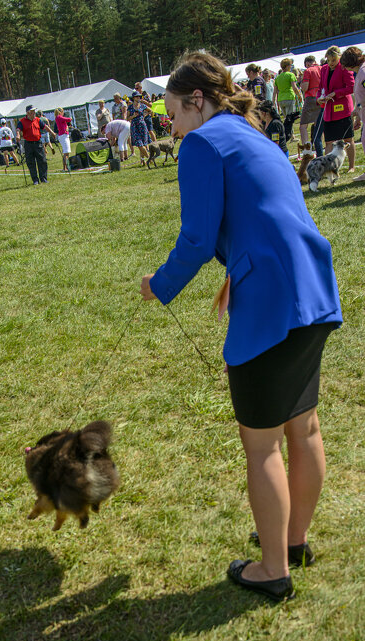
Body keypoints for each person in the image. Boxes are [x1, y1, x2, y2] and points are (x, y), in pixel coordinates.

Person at [139, 51, 342, 603]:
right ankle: (293, 542)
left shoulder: (203, 143)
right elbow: (271, 213)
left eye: (175, 113)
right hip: (312, 292)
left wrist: (159, 284)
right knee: (304, 429)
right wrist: (240, 268)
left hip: (272, 305)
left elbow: (198, 239)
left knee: (262, 447)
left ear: (196, 101)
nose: (172, 126)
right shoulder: (254, 133)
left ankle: (272, 569)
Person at [317, 45, 356, 172]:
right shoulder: (323, 70)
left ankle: (351, 166)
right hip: (329, 111)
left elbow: (351, 87)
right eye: (329, 60)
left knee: (348, 139)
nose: (331, 63)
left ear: (339, 58)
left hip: (343, 110)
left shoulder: (345, 68)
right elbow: (321, 88)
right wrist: (319, 98)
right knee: (328, 141)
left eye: (333, 60)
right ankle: (327, 168)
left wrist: (336, 93)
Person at [340, 46, 365, 182]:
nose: (344, 68)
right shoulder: (359, 72)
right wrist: (357, 112)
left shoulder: (363, 72)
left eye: (344, 64)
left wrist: (359, 107)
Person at [16, 104, 55, 185]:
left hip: (38, 143)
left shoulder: (37, 120)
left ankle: (43, 179)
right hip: (28, 144)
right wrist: (18, 135)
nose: (34, 113)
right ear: (28, 113)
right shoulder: (22, 121)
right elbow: (18, 129)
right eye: (32, 112)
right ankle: (35, 180)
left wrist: (52, 132)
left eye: (34, 112)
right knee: (31, 163)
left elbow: (45, 127)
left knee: (42, 161)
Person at [274, 58, 302, 141]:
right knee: (290, 119)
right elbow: (294, 87)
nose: (291, 67)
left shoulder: (278, 78)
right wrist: (299, 96)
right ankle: (291, 136)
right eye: (290, 65)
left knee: (286, 119)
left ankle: (289, 134)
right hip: (289, 98)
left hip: (280, 99)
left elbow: (275, 92)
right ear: (287, 66)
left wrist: (273, 102)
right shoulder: (290, 75)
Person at [299, 56, 322, 146]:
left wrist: (300, 82)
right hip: (321, 97)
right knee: (318, 124)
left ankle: (306, 147)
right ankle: (318, 144)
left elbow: (305, 87)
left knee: (303, 126)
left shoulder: (308, 71)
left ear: (307, 63)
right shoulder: (322, 68)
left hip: (311, 98)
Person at [127, 93, 150, 165]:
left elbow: (150, 110)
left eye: (139, 97)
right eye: (137, 97)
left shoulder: (143, 105)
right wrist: (133, 116)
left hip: (142, 125)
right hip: (134, 126)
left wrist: (145, 115)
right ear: (133, 98)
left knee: (143, 143)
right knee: (139, 144)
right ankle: (150, 158)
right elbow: (127, 118)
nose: (138, 98)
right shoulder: (130, 107)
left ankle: (142, 161)